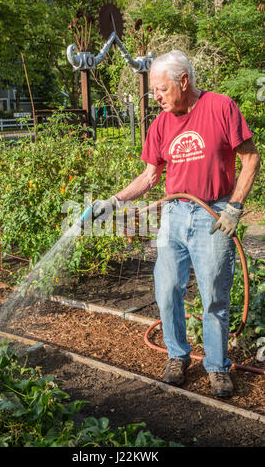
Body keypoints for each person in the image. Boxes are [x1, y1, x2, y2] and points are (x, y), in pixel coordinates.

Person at [92, 50, 260, 397]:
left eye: (161, 89)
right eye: (153, 90)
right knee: (167, 289)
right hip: (174, 214)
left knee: (214, 295)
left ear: (184, 81)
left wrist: (235, 207)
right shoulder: (161, 123)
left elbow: (250, 158)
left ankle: (216, 365)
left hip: (214, 214)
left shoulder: (221, 107)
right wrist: (114, 201)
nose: (156, 97)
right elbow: (151, 175)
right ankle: (177, 355)